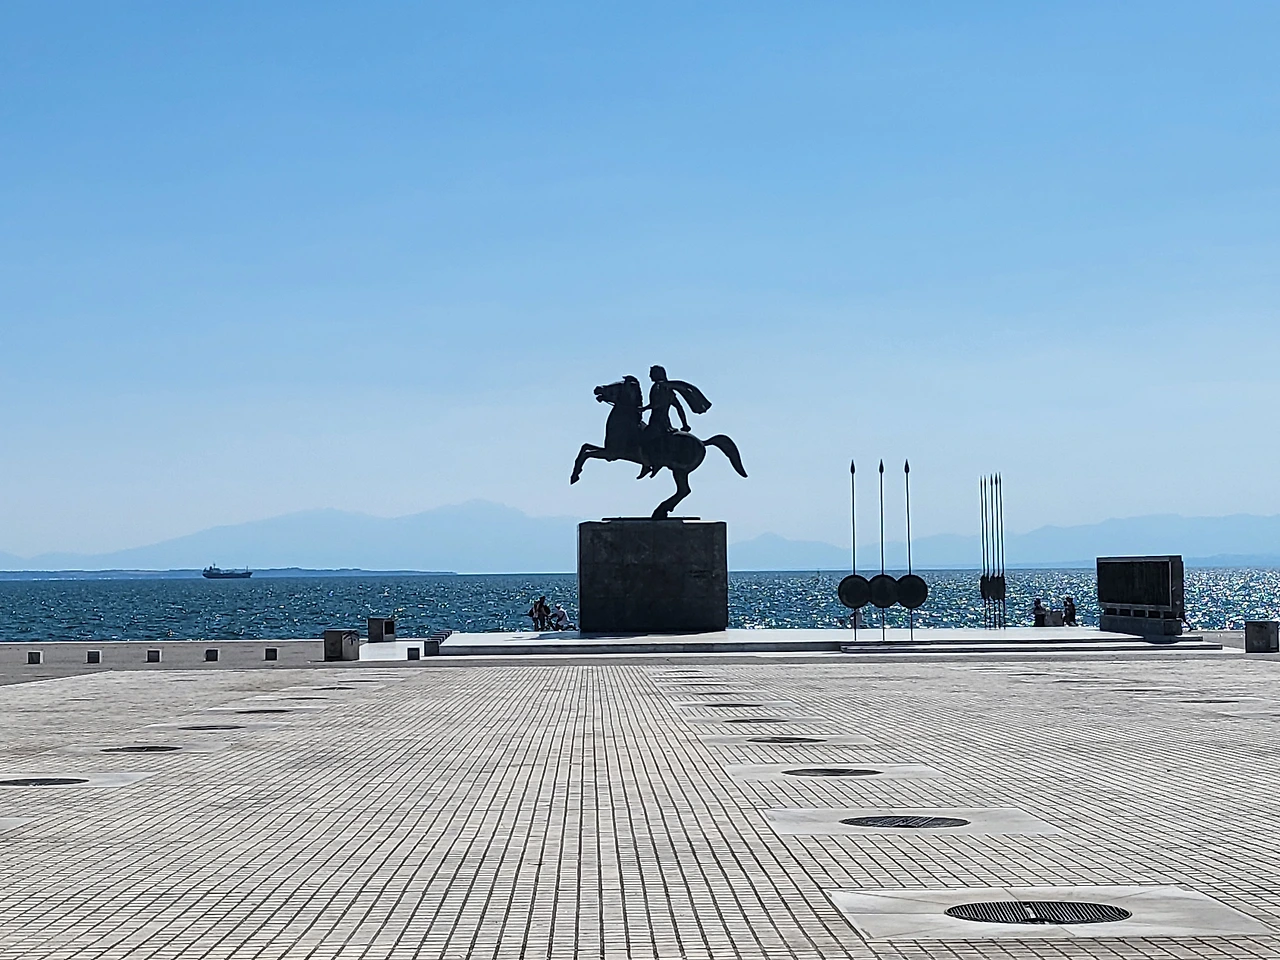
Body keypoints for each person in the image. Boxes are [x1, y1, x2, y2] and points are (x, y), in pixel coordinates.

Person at [637, 365, 712, 478]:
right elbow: (678, 407)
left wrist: (643, 408)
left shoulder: (658, 387)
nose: (649, 376)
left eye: (652, 373)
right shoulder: (668, 388)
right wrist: (685, 424)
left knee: (641, 439)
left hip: (657, 422)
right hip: (666, 423)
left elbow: (657, 404)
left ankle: (648, 465)